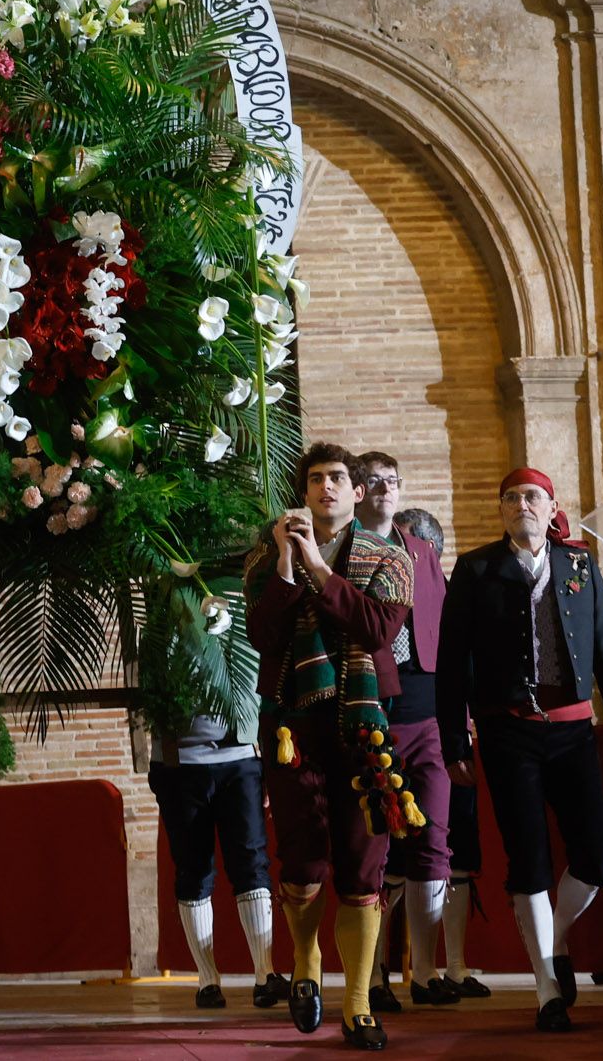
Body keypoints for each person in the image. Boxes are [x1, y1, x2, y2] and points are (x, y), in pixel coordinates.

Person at [437, 468, 603, 1034]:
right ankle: (548, 989)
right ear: (501, 511)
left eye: (531, 496)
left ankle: (553, 942)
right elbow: (452, 662)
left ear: (551, 505)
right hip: (507, 732)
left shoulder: (578, 565)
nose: (521, 504)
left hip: (574, 730)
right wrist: (454, 738)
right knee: (527, 857)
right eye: (510, 498)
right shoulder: (476, 569)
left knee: (594, 855)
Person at [245, 444, 414, 1052]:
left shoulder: (391, 559)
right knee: (303, 860)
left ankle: (361, 1004)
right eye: (315, 479)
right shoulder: (271, 557)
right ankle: (307, 964)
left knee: (363, 862)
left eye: (338, 479)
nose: (326, 488)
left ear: (359, 491)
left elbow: (376, 630)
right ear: (304, 490)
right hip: (292, 729)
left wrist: (320, 566)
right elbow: (263, 636)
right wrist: (290, 565)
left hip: (362, 726)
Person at [350, 456, 455, 1012]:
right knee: (375, 850)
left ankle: (426, 971)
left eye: (395, 482)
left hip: (429, 714)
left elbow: (444, 637)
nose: (387, 491)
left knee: (434, 841)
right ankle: (372, 977)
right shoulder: (346, 551)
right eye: (376, 483)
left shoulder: (423, 554)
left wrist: (456, 719)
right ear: (359, 491)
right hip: (373, 712)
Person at [146, 622, 282, 1011]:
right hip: (179, 763)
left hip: (239, 758)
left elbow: (261, 681)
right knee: (193, 870)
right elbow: (151, 692)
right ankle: (207, 981)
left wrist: (268, 761)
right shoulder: (158, 619)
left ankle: (264, 975)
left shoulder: (239, 614)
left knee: (252, 863)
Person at [392, 507, 491, 1001]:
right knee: (391, 857)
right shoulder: (377, 589)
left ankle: (453, 966)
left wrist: (468, 728)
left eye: (410, 546)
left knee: (456, 854)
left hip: (449, 734)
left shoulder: (454, 596)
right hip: (393, 729)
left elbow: (470, 667)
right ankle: (400, 972)